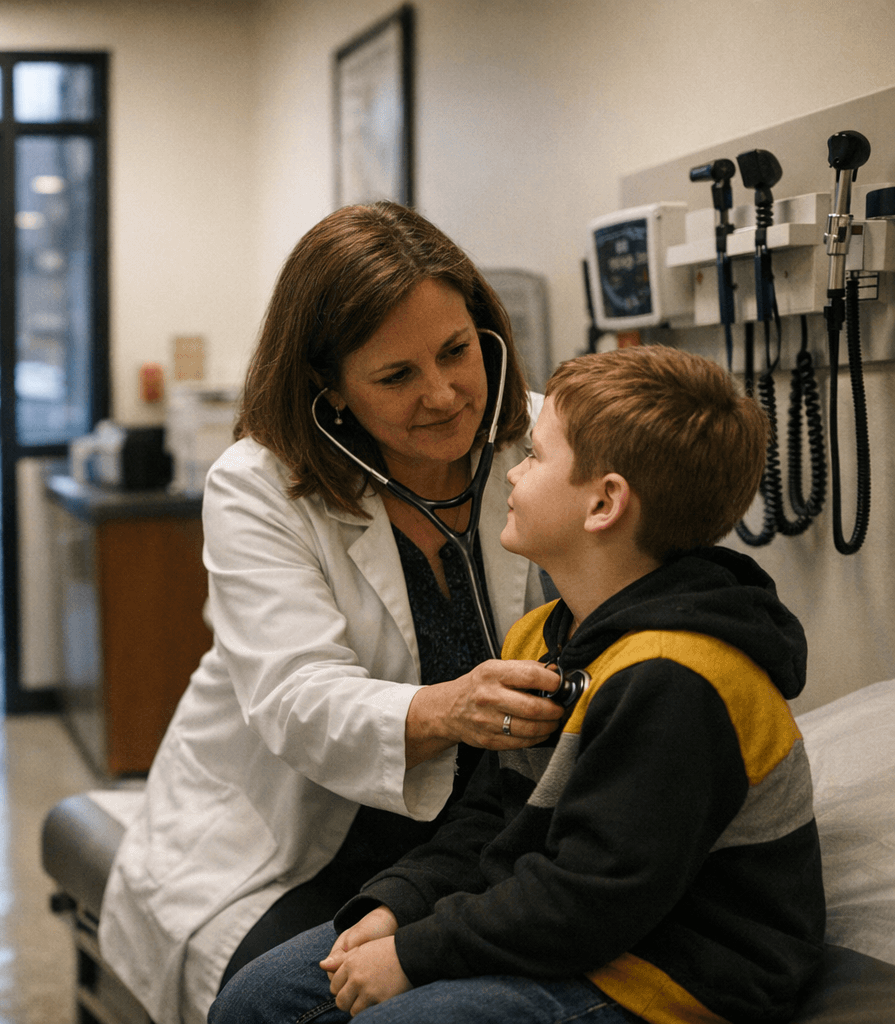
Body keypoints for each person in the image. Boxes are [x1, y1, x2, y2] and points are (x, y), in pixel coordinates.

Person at [210, 345, 824, 1024]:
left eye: (533, 456)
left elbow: (592, 898)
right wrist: (399, 905)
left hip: (667, 970)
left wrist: (416, 952)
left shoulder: (678, 679)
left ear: (603, 503)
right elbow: (491, 822)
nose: (510, 472)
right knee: (256, 1000)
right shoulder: (542, 636)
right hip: (563, 929)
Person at [99, 203, 569, 1024]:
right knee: (272, 1003)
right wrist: (449, 708)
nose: (444, 394)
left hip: (498, 821)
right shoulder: (259, 485)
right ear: (330, 387)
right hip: (312, 831)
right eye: (396, 376)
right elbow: (297, 696)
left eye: (457, 351)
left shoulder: (547, 442)